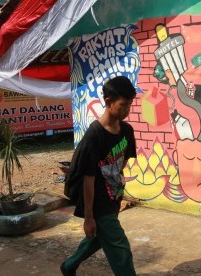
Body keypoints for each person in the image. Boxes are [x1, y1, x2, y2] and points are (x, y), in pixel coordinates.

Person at [61, 76, 137, 276]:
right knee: (120, 249)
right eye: (123, 105)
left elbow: (122, 164)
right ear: (109, 101)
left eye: (130, 104)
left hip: (113, 197)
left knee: (98, 237)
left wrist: (118, 192)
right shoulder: (94, 135)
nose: (127, 110)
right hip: (97, 201)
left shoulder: (127, 131)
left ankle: (69, 266)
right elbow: (88, 179)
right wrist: (88, 217)